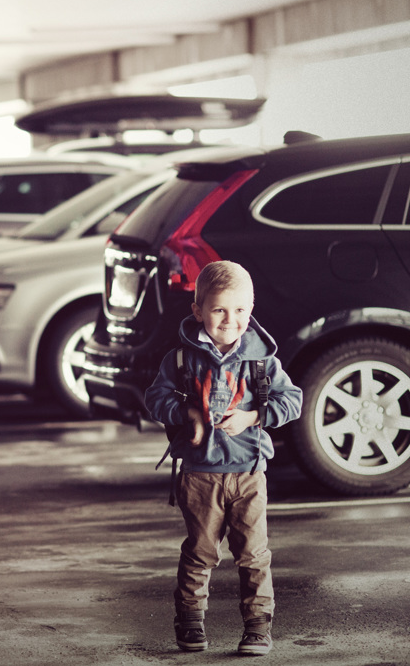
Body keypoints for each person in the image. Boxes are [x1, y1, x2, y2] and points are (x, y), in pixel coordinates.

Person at [144, 260, 301, 657]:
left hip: (249, 474)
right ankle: (191, 620)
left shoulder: (262, 360)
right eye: (218, 310)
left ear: (251, 310)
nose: (230, 320)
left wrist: (254, 415)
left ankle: (257, 627)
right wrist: (188, 413)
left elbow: (293, 400)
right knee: (200, 553)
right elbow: (155, 399)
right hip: (199, 475)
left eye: (240, 311)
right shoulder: (180, 360)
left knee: (253, 555)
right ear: (198, 311)